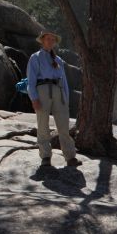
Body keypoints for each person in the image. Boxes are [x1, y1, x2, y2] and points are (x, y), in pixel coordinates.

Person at [27, 30, 81, 167]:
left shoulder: (58, 60)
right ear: (42, 40)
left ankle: (70, 157)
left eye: (53, 39)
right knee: (43, 125)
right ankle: (45, 157)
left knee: (63, 126)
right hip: (42, 91)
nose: (50, 41)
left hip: (59, 93)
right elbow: (31, 81)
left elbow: (64, 82)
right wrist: (34, 98)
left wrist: (66, 99)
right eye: (48, 39)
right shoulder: (35, 57)